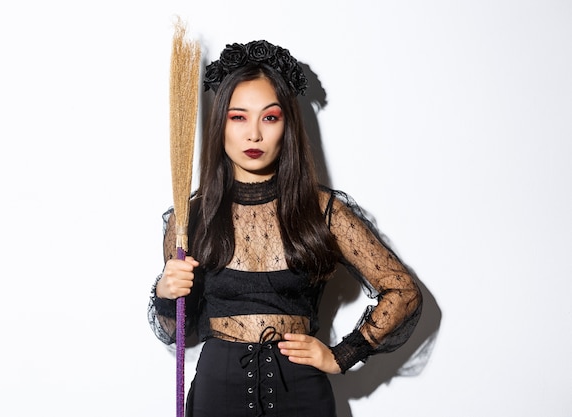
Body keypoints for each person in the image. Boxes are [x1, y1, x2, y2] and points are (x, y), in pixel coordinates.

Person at [148, 39, 422, 417]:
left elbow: (403, 291)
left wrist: (344, 354)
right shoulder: (190, 217)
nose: (254, 135)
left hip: (301, 394)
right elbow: (179, 330)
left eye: (270, 117)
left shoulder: (323, 210)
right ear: (220, 124)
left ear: (287, 125)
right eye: (238, 117)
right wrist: (166, 292)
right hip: (218, 394)